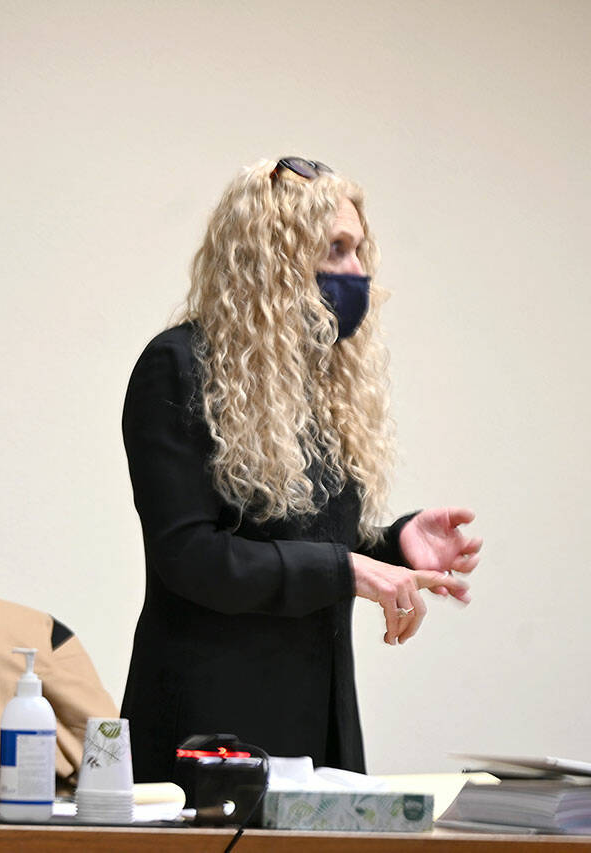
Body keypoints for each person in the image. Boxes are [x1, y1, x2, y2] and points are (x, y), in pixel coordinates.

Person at [120, 158, 482, 779]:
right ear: (272, 258)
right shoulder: (178, 366)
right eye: (336, 249)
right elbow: (191, 557)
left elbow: (306, 545)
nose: (358, 271)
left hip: (318, 721)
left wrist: (392, 544)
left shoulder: (321, 389)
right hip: (210, 731)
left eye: (359, 250)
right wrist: (348, 569)